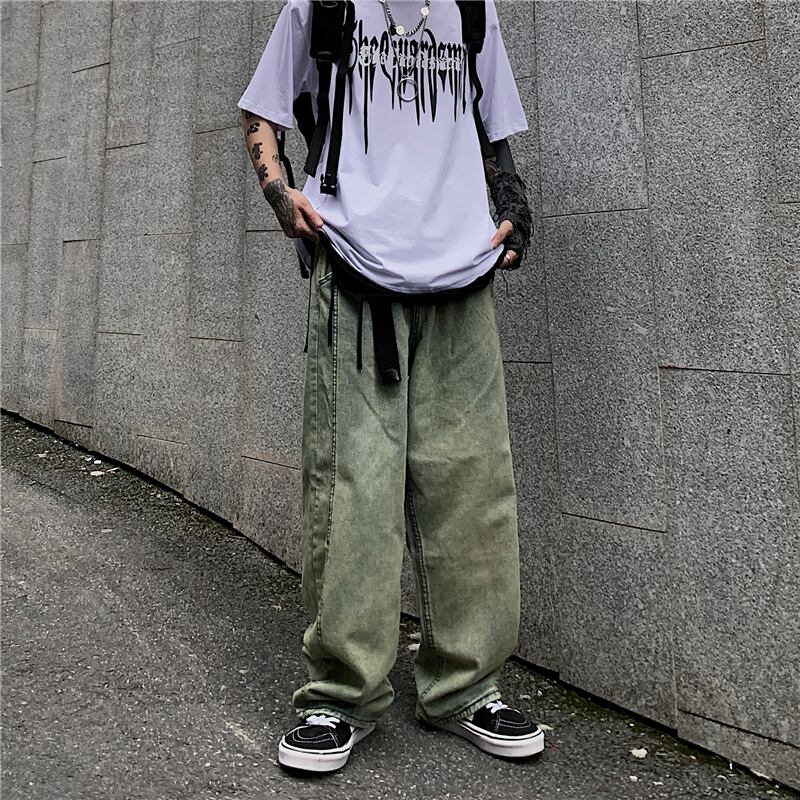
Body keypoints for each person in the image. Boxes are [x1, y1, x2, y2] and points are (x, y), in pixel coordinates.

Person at [237, 0, 543, 774]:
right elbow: (261, 113)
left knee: (473, 487)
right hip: (355, 272)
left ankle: (466, 688)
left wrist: (513, 202)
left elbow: (491, 129)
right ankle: (341, 697)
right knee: (352, 491)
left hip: (461, 276)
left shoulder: (471, 10)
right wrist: (281, 196)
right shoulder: (322, 6)